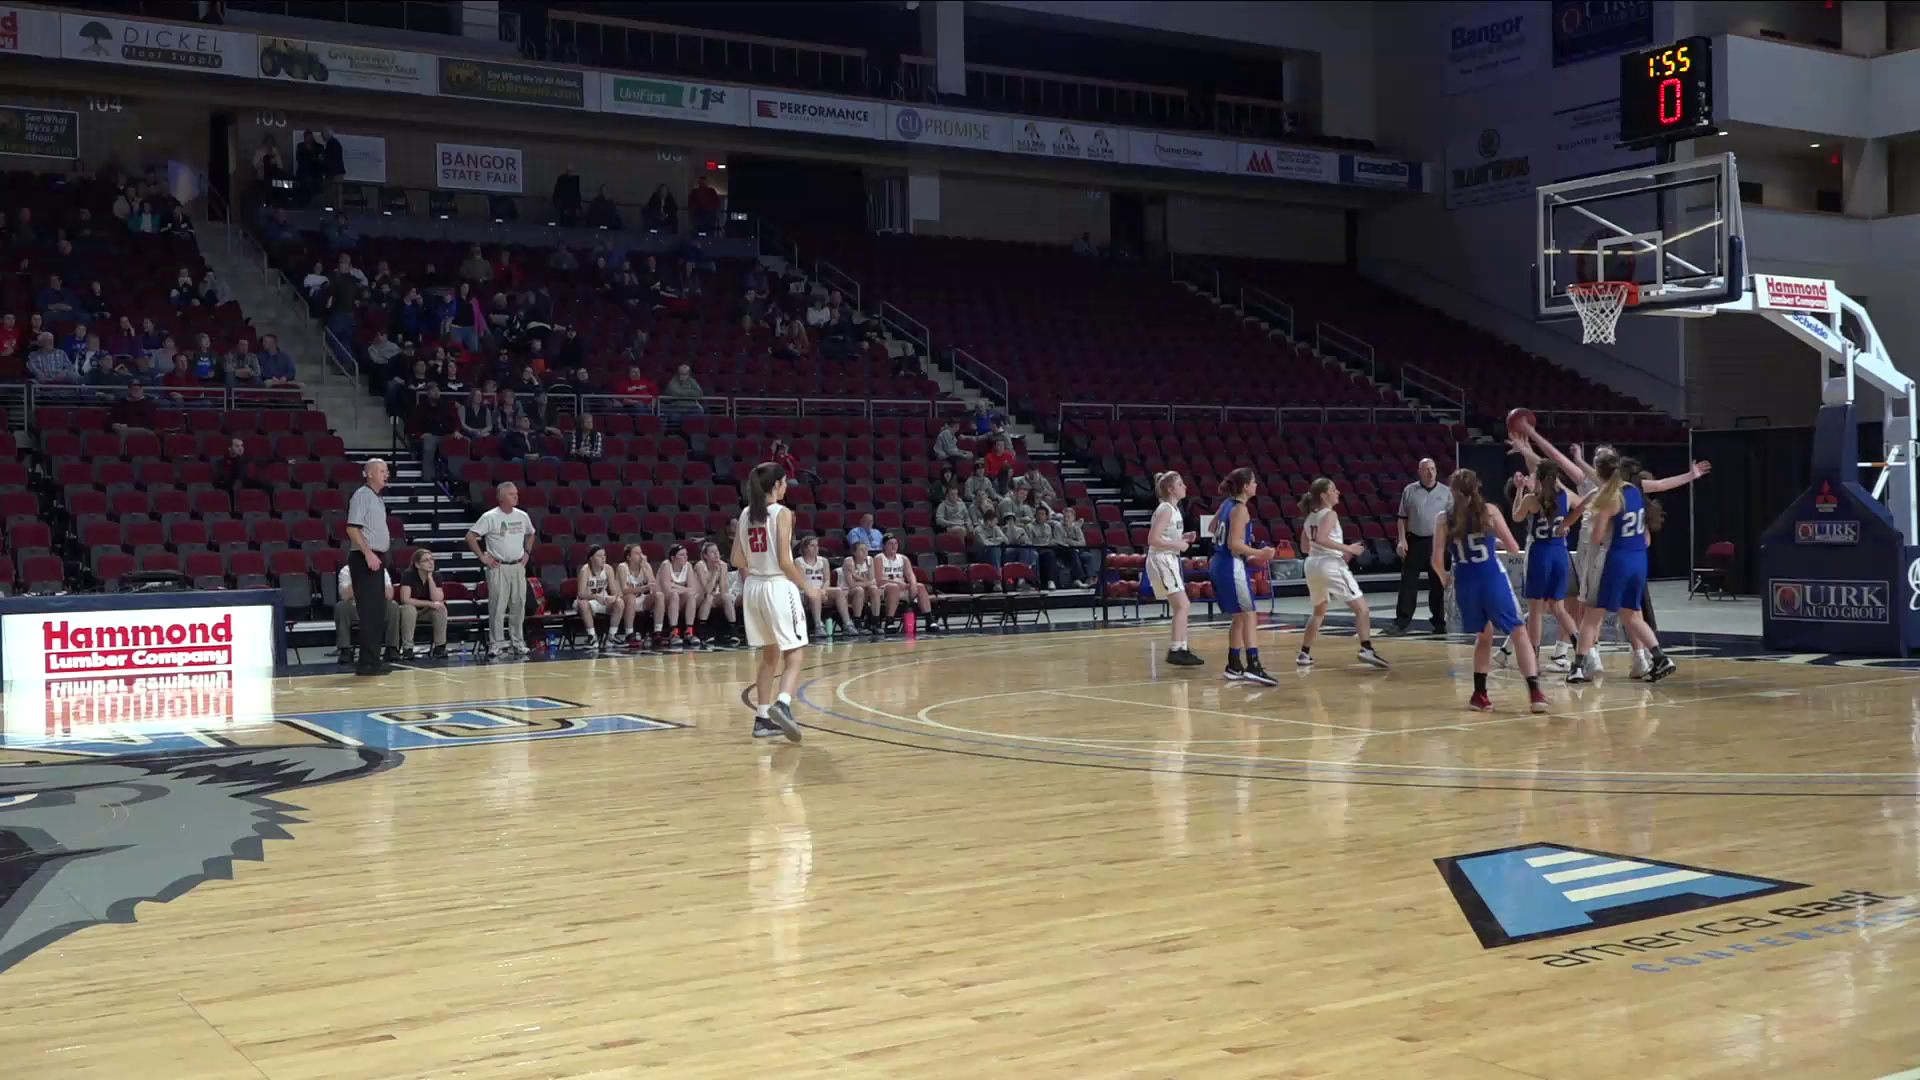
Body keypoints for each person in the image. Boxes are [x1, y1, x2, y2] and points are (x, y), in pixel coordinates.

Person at [1435, 469, 1548, 713]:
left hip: (1465, 581)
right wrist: (1493, 542)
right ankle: (1535, 693)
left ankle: (1479, 694)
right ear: (1477, 487)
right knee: (1519, 632)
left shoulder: (1444, 518)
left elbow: (1436, 560)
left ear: (1453, 491)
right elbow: (1514, 548)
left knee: (1483, 636)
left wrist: (1446, 579)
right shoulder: (1489, 511)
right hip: (1490, 577)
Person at [734, 461, 816, 742]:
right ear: (777, 486)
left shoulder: (746, 514)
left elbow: (736, 559)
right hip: (777, 587)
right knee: (795, 654)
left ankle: (762, 718)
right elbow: (784, 560)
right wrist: (809, 588)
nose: (786, 487)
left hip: (753, 587)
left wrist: (757, 559)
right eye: (784, 483)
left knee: (770, 655)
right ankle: (783, 703)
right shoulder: (782, 513)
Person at [1296, 477, 1389, 670]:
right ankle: (1366, 648)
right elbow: (1321, 538)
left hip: (1312, 565)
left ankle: (1304, 653)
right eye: (1334, 489)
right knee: (1362, 608)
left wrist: (1334, 550)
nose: (1338, 492)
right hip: (1330, 565)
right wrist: (1347, 549)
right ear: (1324, 495)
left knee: (1319, 611)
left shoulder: (1309, 517)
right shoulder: (1330, 514)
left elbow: (1305, 547)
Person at [1506, 457, 1578, 672]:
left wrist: (1520, 490)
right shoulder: (1565, 495)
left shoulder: (1531, 499)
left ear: (1538, 477)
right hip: (1560, 552)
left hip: (1540, 553)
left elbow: (1516, 517)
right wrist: (1567, 525)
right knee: (1560, 608)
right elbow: (1580, 506)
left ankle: (1534, 658)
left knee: (1535, 611)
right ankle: (1584, 652)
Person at [1210, 468, 1276, 685]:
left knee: (1239, 615)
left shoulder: (1225, 504)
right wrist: (1260, 553)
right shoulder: (1240, 509)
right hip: (1231, 564)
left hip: (1218, 563)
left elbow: (1212, 528)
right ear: (1246, 486)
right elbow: (1234, 544)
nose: (1256, 485)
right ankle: (1254, 665)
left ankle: (1234, 664)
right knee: (1249, 614)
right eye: (1254, 482)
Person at [467, 481, 534, 659]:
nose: (516, 496)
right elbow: (471, 536)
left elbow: (531, 533)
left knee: (518, 605)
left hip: (518, 565)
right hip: (498, 566)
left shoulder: (522, 516)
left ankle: (517, 642)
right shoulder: (490, 517)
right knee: (498, 606)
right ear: (502, 497)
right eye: (512, 494)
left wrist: (527, 552)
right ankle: (496, 644)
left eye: (516, 493)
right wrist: (483, 557)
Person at [1145, 472, 1203, 666]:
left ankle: (1182, 648)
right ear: (1171, 489)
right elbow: (1152, 539)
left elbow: (1166, 537)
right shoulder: (1166, 509)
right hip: (1161, 559)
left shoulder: (1174, 509)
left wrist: (1184, 537)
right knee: (1183, 605)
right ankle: (1176, 649)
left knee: (1182, 606)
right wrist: (1178, 545)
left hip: (1167, 558)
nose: (1185, 486)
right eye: (1180, 483)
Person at [344, 460, 394, 676]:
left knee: (377, 611)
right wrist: (368, 553)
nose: (387, 474)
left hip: (375, 556)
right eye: (382, 471)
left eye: (386, 471)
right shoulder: (362, 495)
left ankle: (372, 659)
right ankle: (367, 662)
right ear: (370, 474)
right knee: (369, 611)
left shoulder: (376, 498)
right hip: (365, 558)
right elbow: (352, 528)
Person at [1393, 457, 1453, 634]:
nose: (1430, 472)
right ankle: (1402, 621)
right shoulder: (1410, 490)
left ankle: (1439, 621)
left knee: (1437, 583)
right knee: (1408, 582)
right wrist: (1402, 539)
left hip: (1438, 542)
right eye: (1426, 469)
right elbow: (1402, 518)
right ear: (1419, 471)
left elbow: (1452, 519)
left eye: (1433, 469)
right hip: (1415, 540)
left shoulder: (1446, 492)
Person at [334, 561, 399, 669]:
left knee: (393, 606)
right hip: (356, 606)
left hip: (377, 606)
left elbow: (389, 595)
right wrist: (360, 578)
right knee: (341, 607)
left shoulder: (381, 570)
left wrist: (375, 580)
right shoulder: (347, 570)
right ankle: (345, 649)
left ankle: (391, 648)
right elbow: (345, 596)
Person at [396, 548, 449, 660]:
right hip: (411, 611)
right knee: (408, 609)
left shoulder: (436, 575)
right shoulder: (408, 575)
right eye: (426, 560)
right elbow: (405, 599)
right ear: (417, 564)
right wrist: (429, 603)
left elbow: (438, 598)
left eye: (432, 559)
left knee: (441, 608)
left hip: (426, 611)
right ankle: (408, 649)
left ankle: (440, 646)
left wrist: (430, 578)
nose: (430, 562)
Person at [794, 534, 850, 637]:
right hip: (806, 592)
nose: (816, 548)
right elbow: (801, 582)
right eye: (812, 545)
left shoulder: (823, 561)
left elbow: (827, 580)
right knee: (815, 594)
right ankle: (818, 625)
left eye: (817, 545)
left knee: (838, 591)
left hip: (822, 591)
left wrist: (823, 591)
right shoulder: (799, 561)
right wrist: (818, 592)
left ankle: (847, 623)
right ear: (805, 548)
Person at [876, 534, 933, 631]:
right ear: (884, 546)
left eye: (895, 543)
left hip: (901, 587)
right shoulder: (879, 558)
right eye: (890, 544)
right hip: (884, 589)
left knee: (920, 586)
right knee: (893, 587)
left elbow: (910, 574)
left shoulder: (903, 558)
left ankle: (930, 620)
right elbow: (878, 579)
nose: (894, 546)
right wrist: (897, 583)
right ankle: (890, 622)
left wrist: (913, 584)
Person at [654, 543, 699, 648]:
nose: (685, 557)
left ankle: (689, 631)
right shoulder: (666, 565)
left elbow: (693, 589)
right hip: (663, 600)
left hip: (679, 599)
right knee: (674, 595)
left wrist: (675, 585)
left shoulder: (688, 566)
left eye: (686, 554)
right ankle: (673, 632)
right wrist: (684, 589)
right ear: (673, 557)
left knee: (690, 596)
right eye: (682, 555)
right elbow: (667, 590)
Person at [696, 541, 740, 646]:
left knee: (725, 596)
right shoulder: (700, 566)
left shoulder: (723, 565)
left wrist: (720, 571)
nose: (716, 554)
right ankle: (702, 631)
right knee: (709, 597)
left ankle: (733, 630)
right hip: (698, 596)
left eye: (717, 551)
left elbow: (723, 589)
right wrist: (715, 573)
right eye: (712, 552)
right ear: (705, 555)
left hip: (714, 596)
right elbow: (707, 590)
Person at [611, 543, 656, 647]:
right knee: (631, 597)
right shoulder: (622, 567)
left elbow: (654, 586)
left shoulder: (645, 566)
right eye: (637, 553)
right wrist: (643, 588)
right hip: (625, 601)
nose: (641, 556)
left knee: (659, 596)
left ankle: (658, 631)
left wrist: (645, 568)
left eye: (641, 553)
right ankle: (629, 633)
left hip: (641, 600)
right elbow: (623, 590)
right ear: (628, 557)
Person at [574, 546, 618, 651]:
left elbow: (615, 591)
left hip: (602, 600)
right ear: (591, 558)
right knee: (583, 603)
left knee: (619, 603)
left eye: (604, 555)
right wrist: (595, 597)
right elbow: (580, 594)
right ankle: (592, 637)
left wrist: (613, 598)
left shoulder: (608, 569)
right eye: (599, 556)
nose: (603, 558)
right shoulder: (585, 570)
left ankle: (611, 637)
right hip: (587, 601)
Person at [841, 539, 882, 635]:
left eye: (866, 549)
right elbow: (851, 584)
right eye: (861, 550)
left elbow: (872, 581)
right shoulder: (849, 561)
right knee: (859, 590)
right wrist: (866, 581)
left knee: (874, 590)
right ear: (854, 552)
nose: (865, 552)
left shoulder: (869, 560)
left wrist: (856, 576)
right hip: (846, 592)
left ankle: (875, 623)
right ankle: (857, 623)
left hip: (863, 590)